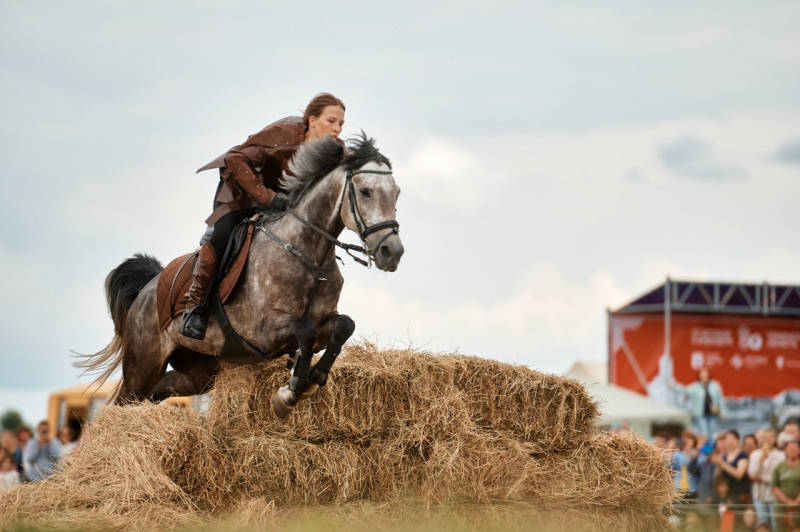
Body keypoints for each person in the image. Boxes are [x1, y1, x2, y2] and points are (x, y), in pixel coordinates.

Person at [181, 93, 347, 340]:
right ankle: (194, 308)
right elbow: (234, 158)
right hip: (239, 192)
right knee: (224, 234)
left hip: (281, 202)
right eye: (331, 121)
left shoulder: (336, 150)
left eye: (341, 124)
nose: (337, 129)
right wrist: (267, 198)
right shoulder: (284, 135)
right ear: (312, 120)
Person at [672, 367, 727, 438]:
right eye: (702, 375)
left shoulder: (715, 385)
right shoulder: (695, 387)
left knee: (713, 434)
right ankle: (705, 448)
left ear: (709, 375)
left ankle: (711, 448)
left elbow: (720, 399)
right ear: (699, 376)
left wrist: (723, 412)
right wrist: (673, 387)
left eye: (706, 375)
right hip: (701, 415)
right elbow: (684, 390)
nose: (704, 377)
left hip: (713, 414)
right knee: (704, 434)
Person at [749, 428, 785, 530]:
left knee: (775, 525)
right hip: (758, 496)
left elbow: (778, 478)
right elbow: (752, 475)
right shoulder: (755, 454)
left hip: (774, 496)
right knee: (762, 525)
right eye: (765, 438)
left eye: (770, 437)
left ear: (775, 439)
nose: (768, 440)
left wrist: (761, 477)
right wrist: (760, 461)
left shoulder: (781, 455)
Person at [713, 430, 751, 503]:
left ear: (738, 440)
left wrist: (722, 464)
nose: (730, 441)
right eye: (728, 439)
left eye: (733, 438)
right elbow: (719, 477)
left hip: (740, 494)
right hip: (727, 495)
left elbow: (739, 475)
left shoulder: (742, 455)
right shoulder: (724, 457)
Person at [772, 439, 800, 532]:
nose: (792, 450)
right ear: (785, 450)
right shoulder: (779, 467)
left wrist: (796, 502)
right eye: (790, 448)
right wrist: (787, 501)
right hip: (781, 506)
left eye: (795, 448)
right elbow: (774, 486)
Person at [672, 432, 699, 499]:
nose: (686, 441)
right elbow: (671, 466)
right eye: (684, 439)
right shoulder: (678, 454)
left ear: (694, 441)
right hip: (678, 488)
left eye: (689, 439)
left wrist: (692, 456)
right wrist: (672, 448)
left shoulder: (697, 453)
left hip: (692, 488)